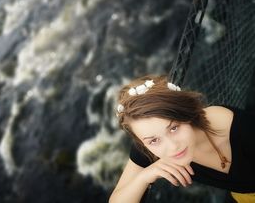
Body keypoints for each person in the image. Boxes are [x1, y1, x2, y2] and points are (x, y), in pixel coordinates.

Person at [108, 74, 255, 203]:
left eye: (174, 128)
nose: (173, 147)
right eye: (153, 140)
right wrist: (143, 178)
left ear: (187, 114)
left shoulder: (240, 129)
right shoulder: (148, 148)